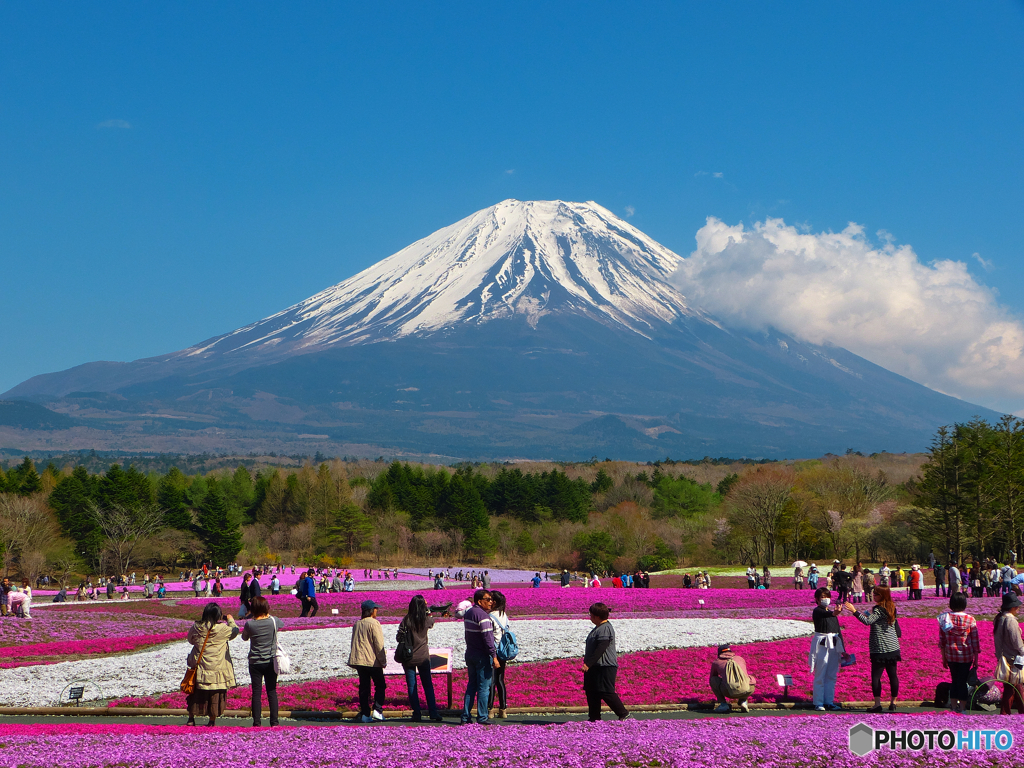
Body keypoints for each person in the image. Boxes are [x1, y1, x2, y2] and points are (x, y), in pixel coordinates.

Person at [844, 586, 901, 712]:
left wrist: (854, 611)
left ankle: (877, 704)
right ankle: (893, 702)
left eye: (876, 594)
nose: (873, 595)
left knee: (876, 676)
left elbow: (867, 621)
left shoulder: (879, 609)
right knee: (893, 675)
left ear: (882, 595)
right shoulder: (892, 607)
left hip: (880, 647)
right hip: (893, 646)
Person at [185, 602, 239, 726]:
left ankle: (191, 718)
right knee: (215, 694)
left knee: (196, 693)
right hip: (217, 668)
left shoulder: (197, 627)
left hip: (200, 667)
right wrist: (230, 620)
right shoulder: (222, 629)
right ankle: (212, 720)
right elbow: (235, 632)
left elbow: (190, 640)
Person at [397, 595, 442, 722]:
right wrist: (427, 610)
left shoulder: (407, 619)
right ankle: (433, 712)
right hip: (423, 657)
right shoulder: (426, 620)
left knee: (412, 686)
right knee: (428, 685)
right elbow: (432, 622)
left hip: (409, 657)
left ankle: (417, 713)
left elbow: (398, 637)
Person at [583, 602, 630, 721]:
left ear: (597, 616)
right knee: (592, 691)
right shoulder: (599, 628)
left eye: (591, 615)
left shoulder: (605, 628)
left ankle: (623, 713)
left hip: (605, 665)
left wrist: (588, 663)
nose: (590, 617)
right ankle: (594, 718)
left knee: (606, 691)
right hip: (596, 665)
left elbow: (601, 647)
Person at [241, 595, 282, 727]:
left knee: (256, 693)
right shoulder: (274, 621)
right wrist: (268, 615)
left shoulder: (250, 624)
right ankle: (274, 722)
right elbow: (281, 624)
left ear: (252, 609)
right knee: (272, 691)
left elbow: (244, 638)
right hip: (271, 661)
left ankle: (257, 722)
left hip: (255, 662)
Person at [460, 589, 499, 725]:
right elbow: (488, 638)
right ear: (479, 601)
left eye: (491, 599)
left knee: (471, 685)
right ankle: (482, 717)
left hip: (470, 653)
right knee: (483, 687)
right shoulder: (483, 616)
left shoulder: (469, 613)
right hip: (482, 655)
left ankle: (465, 716)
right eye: (488, 599)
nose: (491, 602)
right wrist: (493, 656)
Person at [937, 592, 980, 713]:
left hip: (951, 654)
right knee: (962, 681)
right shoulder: (970, 619)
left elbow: (942, 641)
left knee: (954, 680)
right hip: (966, 655)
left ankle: (953, 706)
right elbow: (975, 641)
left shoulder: (945, 618)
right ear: (964, 604)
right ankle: (962, 708)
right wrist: (976, 658)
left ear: (951, 604)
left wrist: (943, 657)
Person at [348, 599, 387, 722]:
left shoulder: (357, 624)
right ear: (371, 611)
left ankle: (365, 714)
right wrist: (383, 660)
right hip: (373, 660)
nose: (377, 610)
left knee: (364, 687)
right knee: (380, 685)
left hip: (360, 661)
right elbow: (379, 644)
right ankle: (377, 710)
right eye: (376, 609)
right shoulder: (374, 623)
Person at [810, 587, 845, 711]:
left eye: (827, 597)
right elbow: (826, 614)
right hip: (822, 644)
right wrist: (834, 613)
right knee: (820, 673)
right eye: (822, 597)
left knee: (831, 675)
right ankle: (818, 702)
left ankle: (829, 701)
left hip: (834, 644)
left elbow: (837, 631)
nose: (825, 599)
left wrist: (843, 650)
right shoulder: (817, 611)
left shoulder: (831, 614)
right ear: (817, 599)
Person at [994, 592, 1024, 715]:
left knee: (1012, 687)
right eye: (1016, 606)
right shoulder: (1010, 620)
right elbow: (1016, 642)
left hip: (1004, 657)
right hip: (1013, 658)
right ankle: (1006, 713)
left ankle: (1006, 713)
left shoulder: (999, 618)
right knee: (1015, 687)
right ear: (1012, 607)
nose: (1018, 608)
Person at [710, 642, 755, 713]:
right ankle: (743, 701)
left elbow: (712, 676)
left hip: (729, 691)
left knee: (713, 680)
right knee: (746, 678)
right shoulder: (740, 658)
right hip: (748, 689)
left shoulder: (716, 662)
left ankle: (723, 704)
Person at [488, 590, 511, 719]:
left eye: (491, 599)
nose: (489, 601)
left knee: (491, 680)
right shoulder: (504, 615)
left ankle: (490, 709)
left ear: (495, 602)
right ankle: (503, 709)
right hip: (503, 650)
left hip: (494, 650)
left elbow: (489, 636)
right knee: (500, 680)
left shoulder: (490, 616)